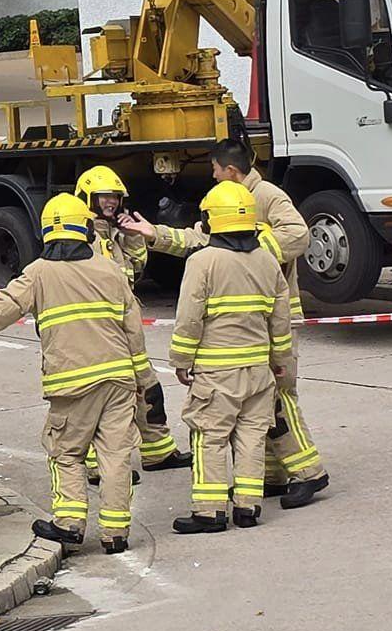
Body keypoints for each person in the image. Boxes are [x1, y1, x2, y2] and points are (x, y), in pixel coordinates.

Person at [121, 139, 329, 509]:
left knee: (278, 398)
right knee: (257, 407)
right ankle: (272, 477)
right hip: (255, 319)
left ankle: (309, 472)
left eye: (215, 171)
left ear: (230, 170)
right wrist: (155, 234)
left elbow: (298, 235)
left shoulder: (266, 195)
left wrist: (249, 254)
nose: (213, 177)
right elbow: (202, 240)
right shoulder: (226, 202)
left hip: (269, 318)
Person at [0, 193, 148, 555]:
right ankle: (116, 532)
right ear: (86, 230)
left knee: (66, 453)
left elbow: (1, 309)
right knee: (116, 455)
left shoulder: (39, 272)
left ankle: (69, 524)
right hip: (119, 378)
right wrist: (142, 378)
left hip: (72, 383)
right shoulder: (110, 270)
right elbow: (133, 328)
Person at [165, 181, 293, 535]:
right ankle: (248, 507)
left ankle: (209, 512)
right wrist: (280, 358)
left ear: (213, 219)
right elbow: (280, 318)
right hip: (258, 371)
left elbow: (189, 317)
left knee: (210, 436)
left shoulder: (202, 261)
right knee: (252, 438)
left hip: (217, 371)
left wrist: (181, 359)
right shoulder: (267, 260)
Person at [74, 165, 189, 473]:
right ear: (87, 198)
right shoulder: (82, 237)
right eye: (104, 197)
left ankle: (158, 452)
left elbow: (135, 271)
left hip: (127, 330)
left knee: (148, 389)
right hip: (100, 334)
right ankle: (96, 467)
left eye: (115, 197)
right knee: (100, 400)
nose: (111, 202)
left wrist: (132, 237)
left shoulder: (114, 235)